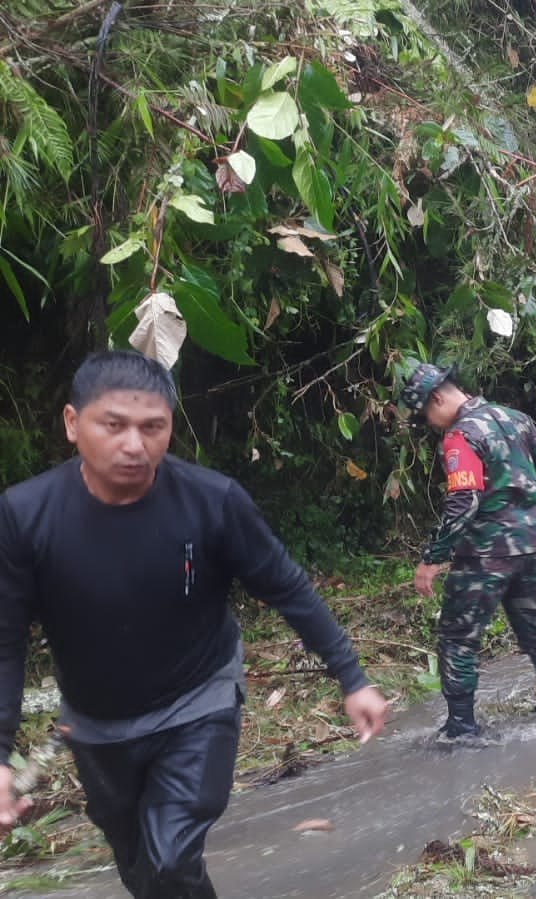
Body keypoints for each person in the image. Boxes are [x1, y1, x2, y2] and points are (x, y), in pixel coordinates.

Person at [0, 350, 388, 898]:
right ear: (72, 423)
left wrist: (352, 678)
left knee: (169, 859)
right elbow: (6, 638)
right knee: (140, 866)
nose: (134, 445)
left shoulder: (212, 501)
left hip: (196, 701)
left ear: (170, 429)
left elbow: (287, 586)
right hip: (95, 721)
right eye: (113, 425)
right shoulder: (25, 515)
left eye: (152, 428)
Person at [400, 361, 536, 740]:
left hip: (485, 553)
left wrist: (433, 557)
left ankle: (461, 727)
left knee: (458, 636)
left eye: (426, 413)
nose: (429, 422)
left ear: (438, 397)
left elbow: (463, 499)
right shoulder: (516, 418)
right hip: (531, 545)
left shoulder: (461, 436)